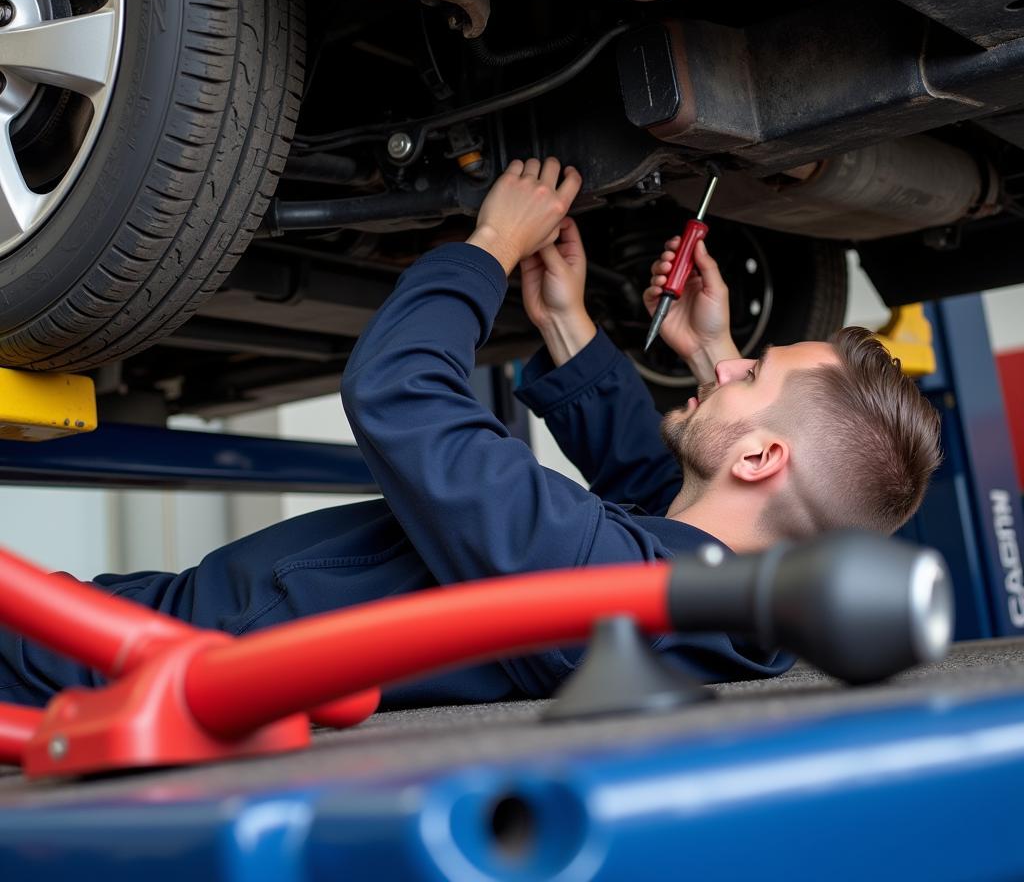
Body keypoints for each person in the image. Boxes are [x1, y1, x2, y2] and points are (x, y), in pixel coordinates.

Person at [0, 158, 942, 710]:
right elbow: (669, 511)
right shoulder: (726, 615)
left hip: (147, 657)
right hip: (200, 639)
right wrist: (582, 328)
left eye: (750, 370)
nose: (726, 361)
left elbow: (401, 394)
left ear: (762, 457)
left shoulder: (590, 578)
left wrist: (489, 244)